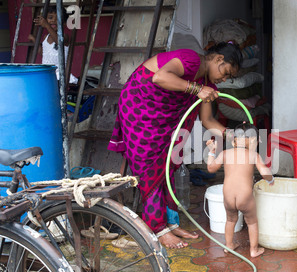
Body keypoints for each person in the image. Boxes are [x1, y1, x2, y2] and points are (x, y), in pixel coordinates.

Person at [108, 42, 243, 249]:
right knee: (149, 169)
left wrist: (231, 136)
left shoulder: (209, 87)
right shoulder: (191, 59)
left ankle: (170, 223)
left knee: (169, 164)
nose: (224, 79)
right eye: (226, 72)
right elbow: (159, 77)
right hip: (141, 107)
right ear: (217, 59)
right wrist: (196, 89)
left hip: (166, 118)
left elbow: (207, 121)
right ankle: (157, 229)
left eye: (228, 78)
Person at [206, 122, 274, 258]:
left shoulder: (225, 153)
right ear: (254, 140)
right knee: (252, 221)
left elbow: (211, 168)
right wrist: (270, 180)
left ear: (234, 141)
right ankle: (254, 250)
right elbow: (264, 172)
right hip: (245, 197)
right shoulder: (253, 155)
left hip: (228, 196)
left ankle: (229, 245)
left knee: (230, 220)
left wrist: (212, 152)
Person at [28, 6, 78, 84]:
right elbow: (42, 52)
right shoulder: (45, 37)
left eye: (57, 19)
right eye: (50, 18)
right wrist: (34, 40)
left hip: (59, 75)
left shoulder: (64, 36)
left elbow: (59, 42)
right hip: (47, 73)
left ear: (64, 23)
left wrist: (47, 26)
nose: (54, 20)